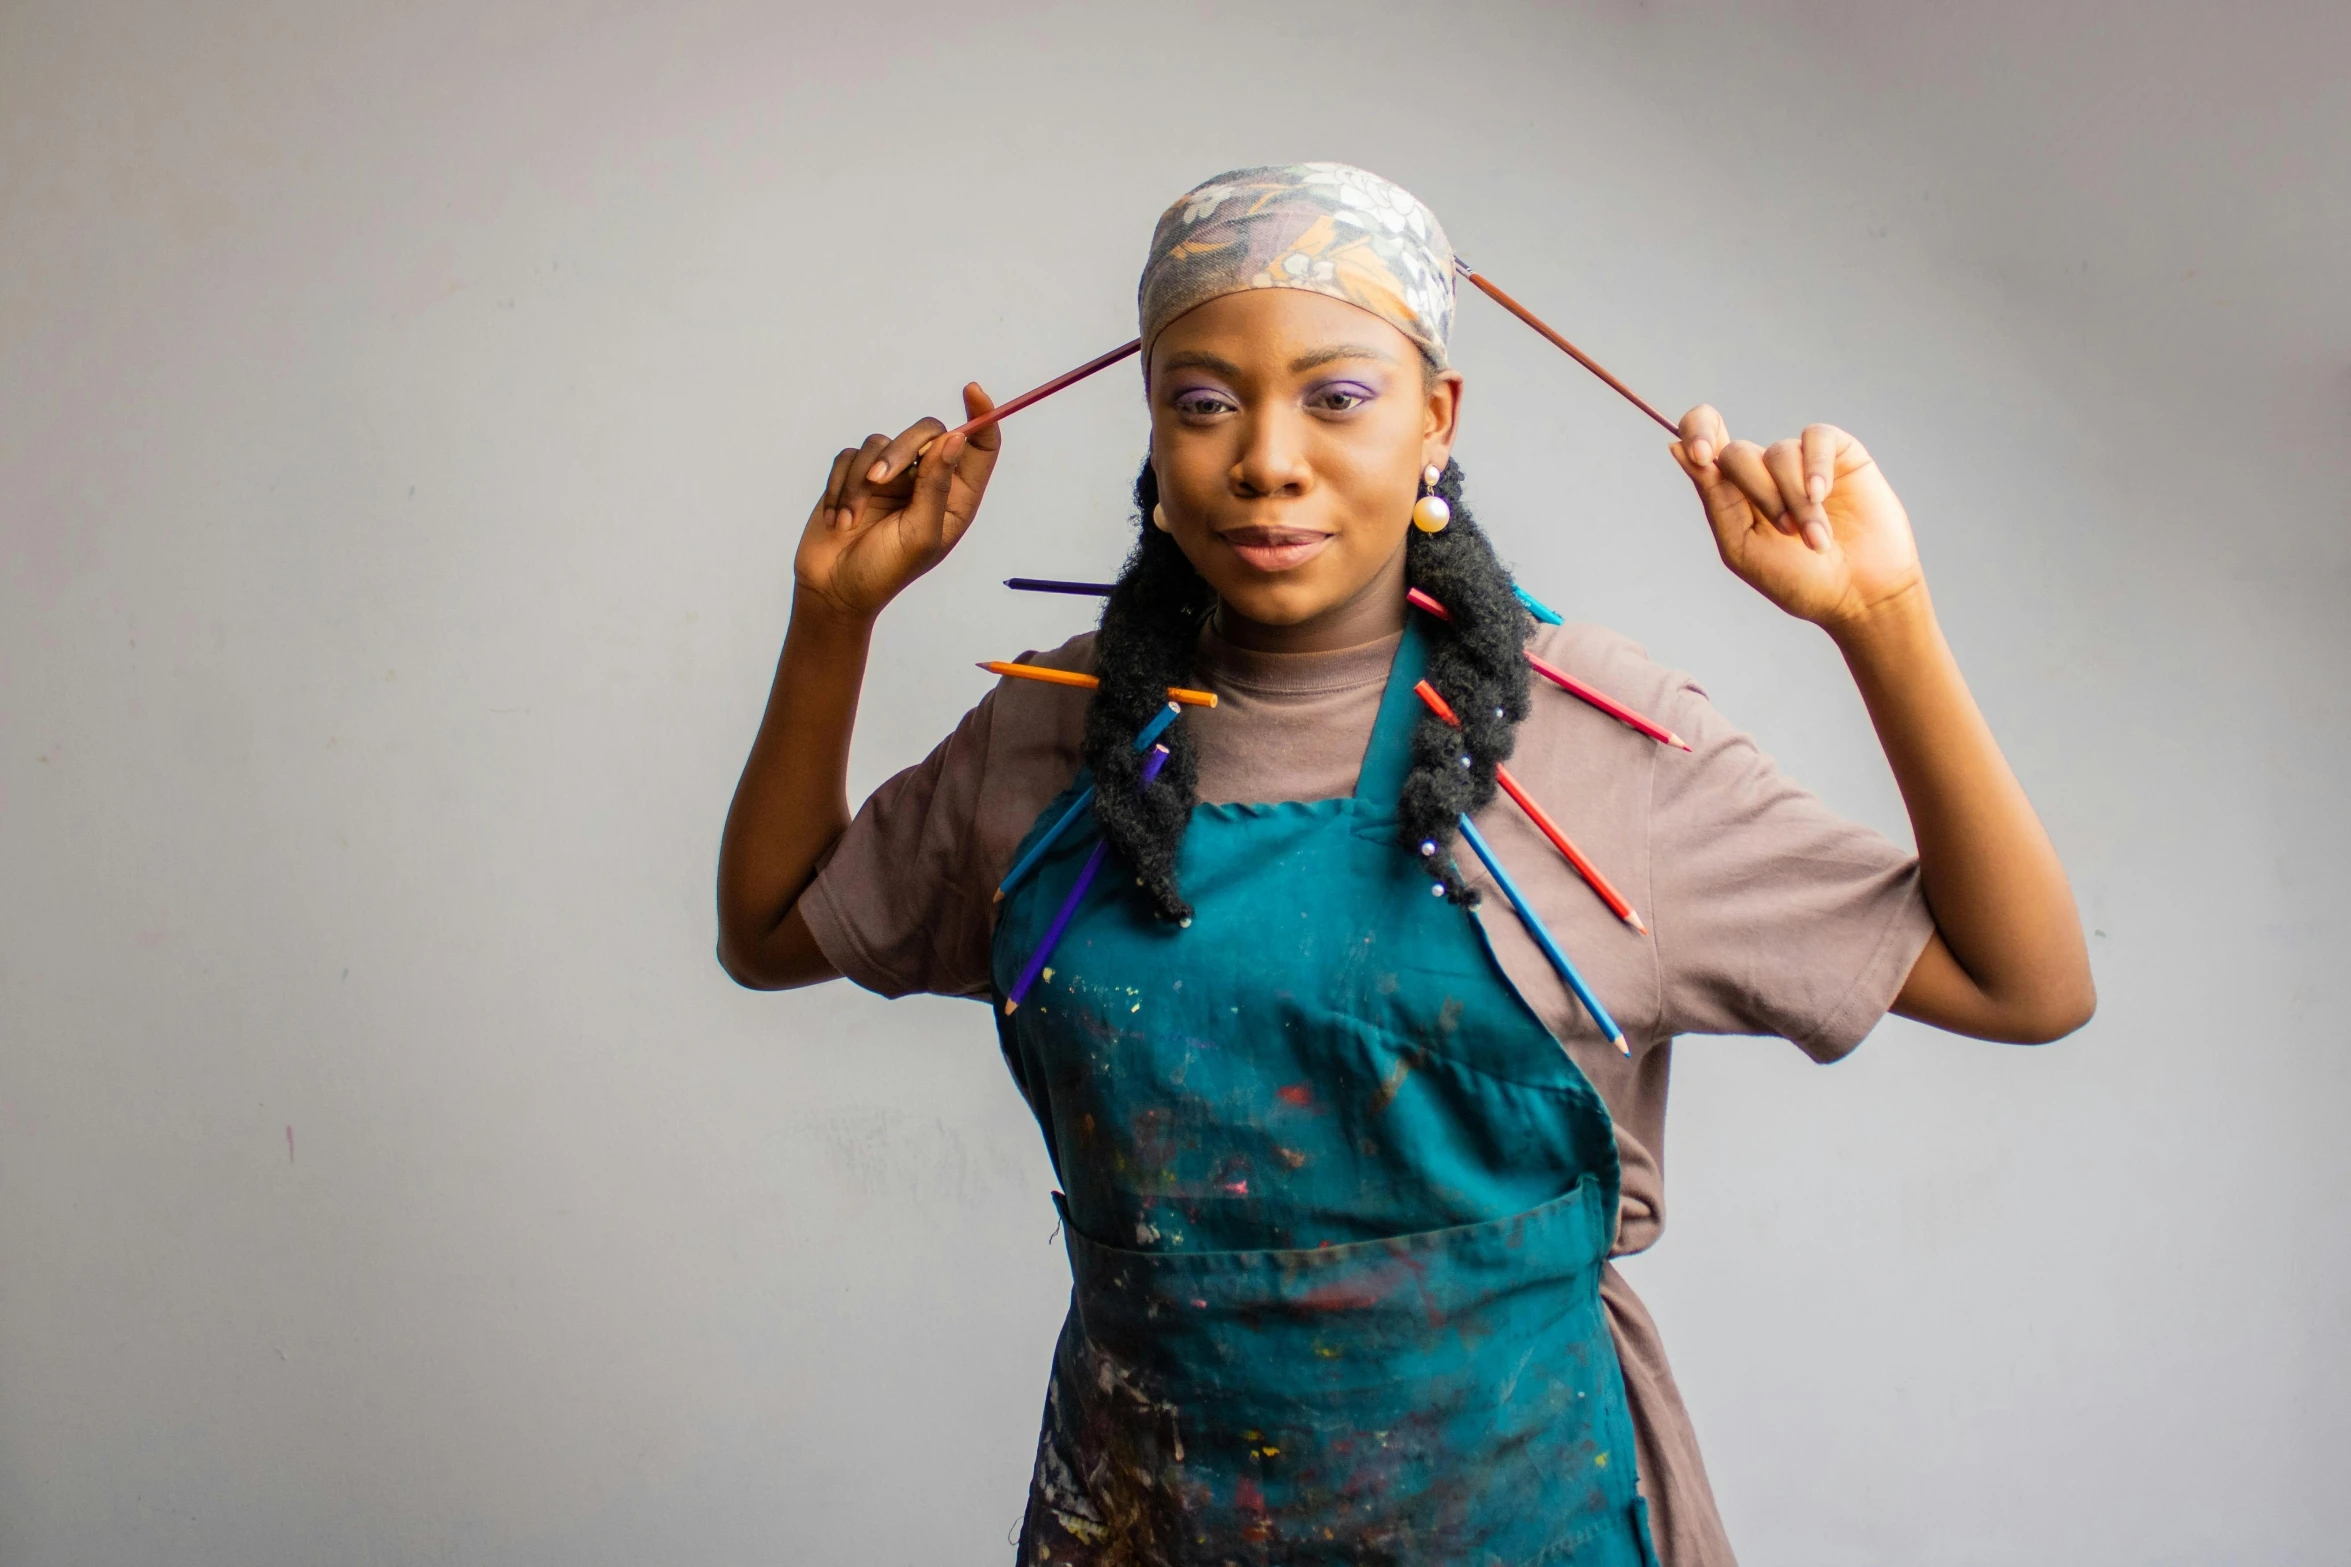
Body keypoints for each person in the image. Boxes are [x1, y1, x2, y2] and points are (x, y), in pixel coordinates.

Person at [716, 163, 2094, 1566]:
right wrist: (831, 615)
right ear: (1149, 424)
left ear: (1436, 418)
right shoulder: (1049, 733)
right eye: (1202, 401)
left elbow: (2023, 980)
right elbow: (770, 929)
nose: (1265, 456)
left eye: (1336, 396)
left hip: (1518, 1519)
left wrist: (1883, 617)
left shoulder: (1598, 740)